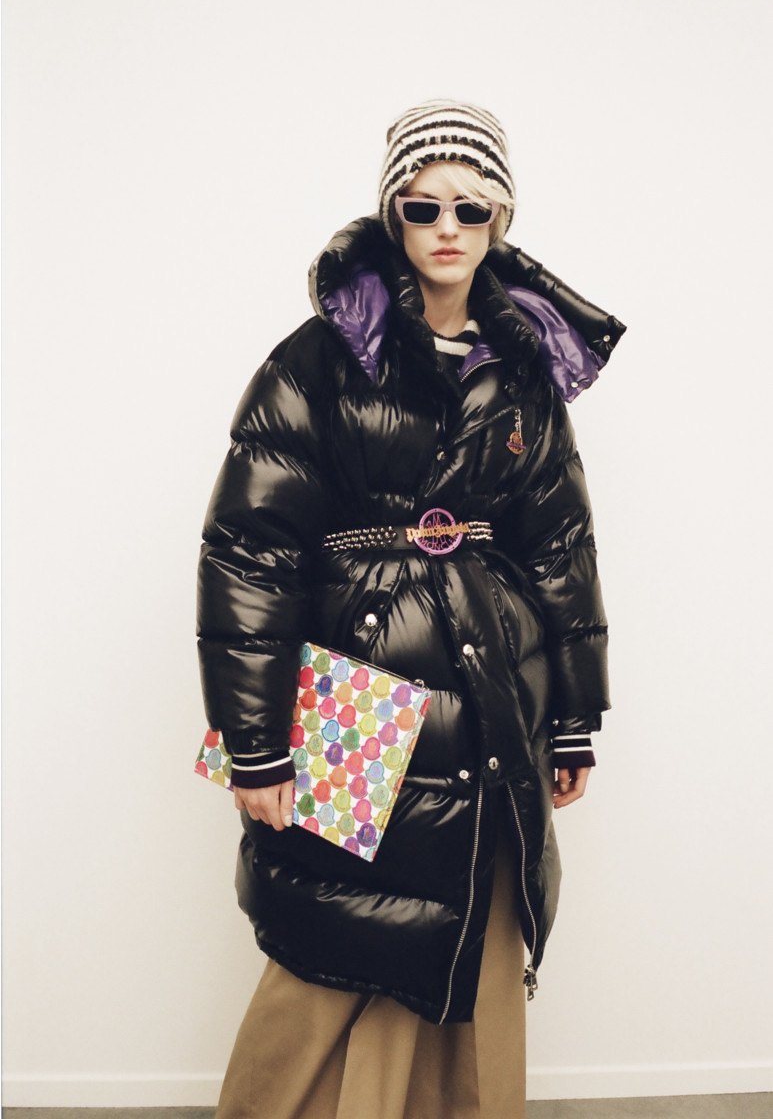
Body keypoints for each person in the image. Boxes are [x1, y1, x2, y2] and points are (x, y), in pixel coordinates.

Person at [197, 99, 626, 1119]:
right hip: (352, 696)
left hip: (490, 702)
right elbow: (250, 551)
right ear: (393, 213)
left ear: (499, 219)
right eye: (423, 204)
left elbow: (558, 547)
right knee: (333, 938)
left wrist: (572, 715)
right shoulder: (316, 359)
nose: (446, 226)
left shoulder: (522, 372)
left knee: (472, 929)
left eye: (470, 207)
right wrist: (254, 744)